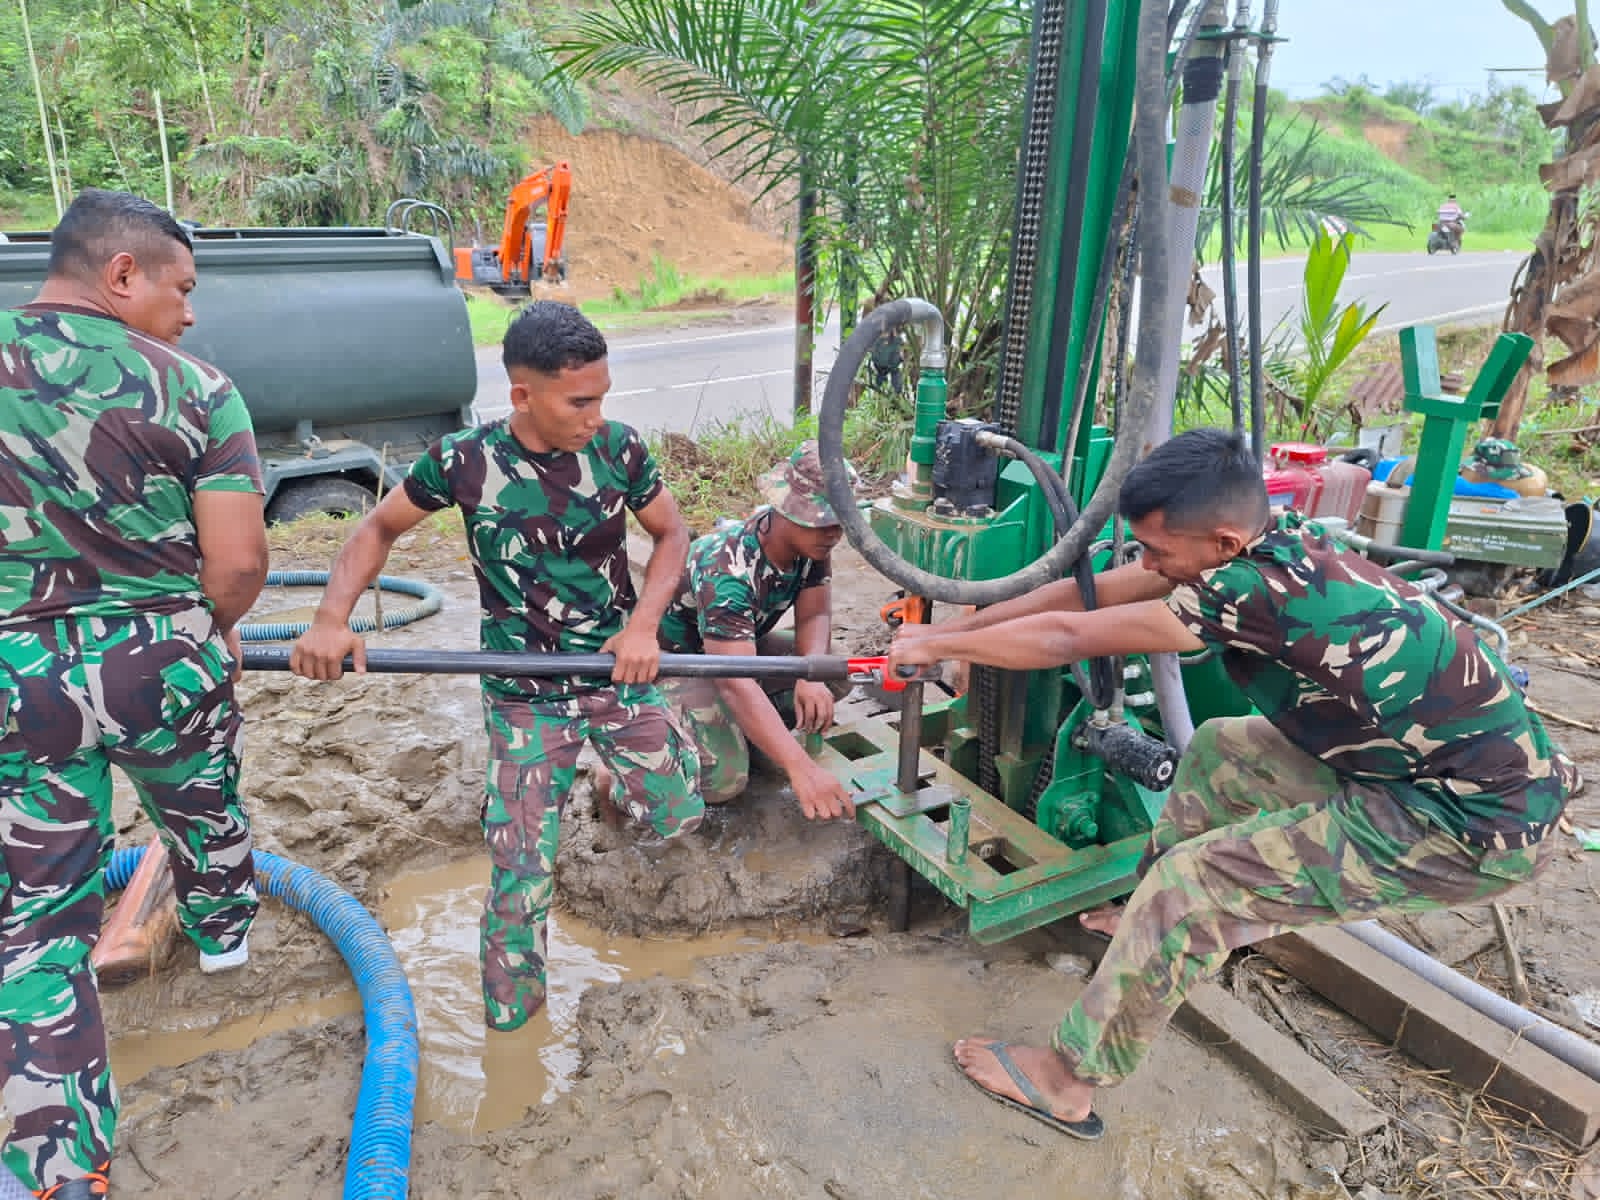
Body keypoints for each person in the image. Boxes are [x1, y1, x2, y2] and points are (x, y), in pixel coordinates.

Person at [887, 427, 1579, 1142]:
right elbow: (1086, 596)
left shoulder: (1249, 591)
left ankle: (1066, 1082)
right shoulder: (1277, 539)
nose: (1147, 563)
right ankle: (1145, 922)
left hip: (1470, 827)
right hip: (1426, 773)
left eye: (1157, 551)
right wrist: (958, 630)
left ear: (1221, 542)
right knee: (1222, 749)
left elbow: (1069, 638)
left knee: (1195, 886)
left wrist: (943, 645)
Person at [290, 300, 701, 1033]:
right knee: (521, 872)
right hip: (523, 692)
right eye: (579, 402)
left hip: (616, 670)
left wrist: (643, 627)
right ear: (523, 395)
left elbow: (672, 533)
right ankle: (513, 1029)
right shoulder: (464, 461)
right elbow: (378, 528)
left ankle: (608, 781)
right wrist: (330, 619)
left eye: (602, 397)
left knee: (678, 809)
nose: (596, 416)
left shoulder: (620, 450)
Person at [0, 188, 269, 1199]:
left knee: (36, 919)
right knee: (201, 804)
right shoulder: (197, 387)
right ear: (122, 273)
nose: (189, 313)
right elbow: (237, 563)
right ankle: (224, 938)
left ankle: (60, 1168)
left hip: (16, 680)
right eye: (180, 288)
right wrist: (213, 630)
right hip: (162, 662)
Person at [653, 441, 859, 821]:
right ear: (784, 509)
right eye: (821, 521)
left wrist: (810, 673)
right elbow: (736, 682)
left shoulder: (811, 544)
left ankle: (748, 735)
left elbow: (814, 614)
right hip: (679, 664)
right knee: (724, 780)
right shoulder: (727, 571)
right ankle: (631, 771)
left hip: (736, 651)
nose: (833, 533)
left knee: (833, 671)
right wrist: (802, 769)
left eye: (839, 522)